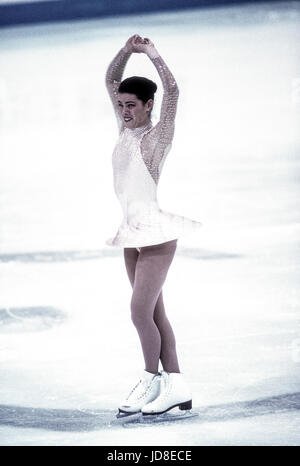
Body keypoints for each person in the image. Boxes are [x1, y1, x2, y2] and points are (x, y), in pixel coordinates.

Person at [105, 34, 202, 416]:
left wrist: (152, 54)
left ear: (148, 106)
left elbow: (173, 91)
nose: (125, 110)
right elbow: (111, 79)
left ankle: (150, 378)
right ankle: (175, 384)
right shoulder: (125, 130)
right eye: (121, 105)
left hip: (156, 236)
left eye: (132, 105)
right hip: (130, 233)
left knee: (139, 312)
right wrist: (127, 51)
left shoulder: (157, 137)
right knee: (155, 314)